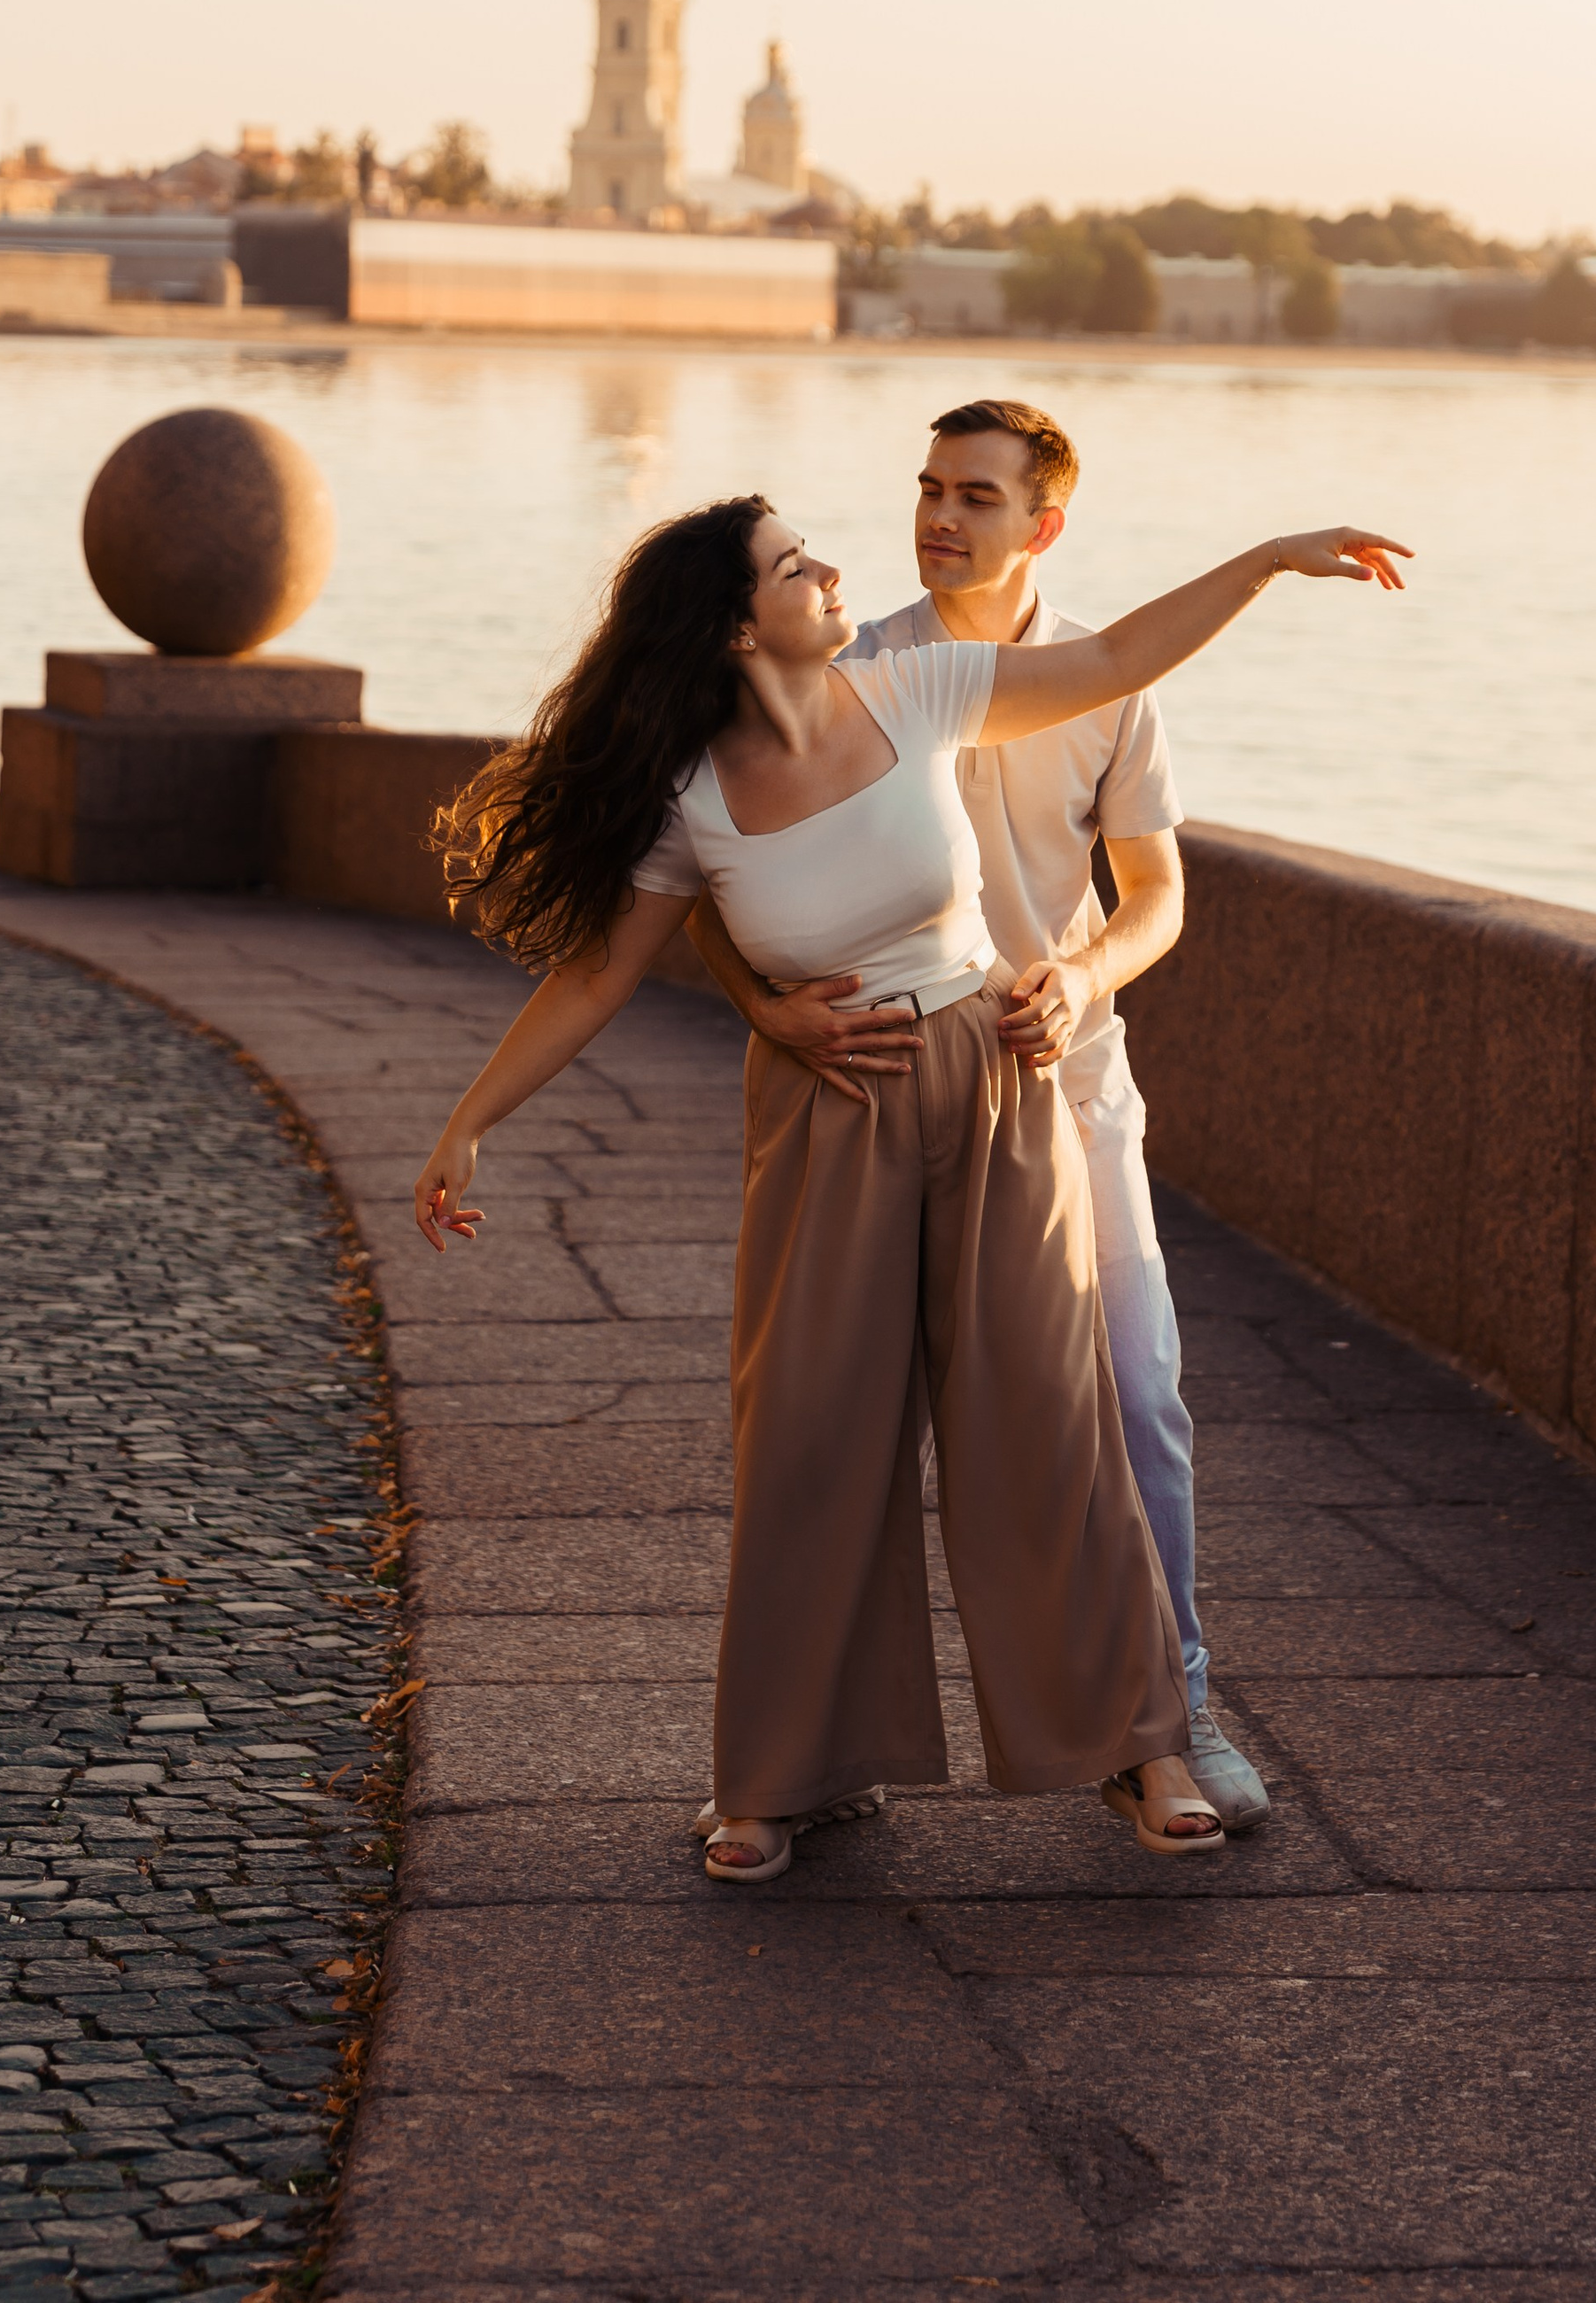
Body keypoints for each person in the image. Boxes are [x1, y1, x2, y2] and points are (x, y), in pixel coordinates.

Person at [414, 492, 1407, 1883]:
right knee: (814, 1437)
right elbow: (594, 976)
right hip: (834, 1117)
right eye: (791, 565)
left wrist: (1267, 560)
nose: (831, 571)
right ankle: (780, 1777)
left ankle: (1144, 1747)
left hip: (992, 1085)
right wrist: (473, 1120)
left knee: (1050, 1421)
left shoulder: (919, 688)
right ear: (734, 625)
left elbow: (1117, 660)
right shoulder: (689, 797)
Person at [684, 397, 1267, 1831]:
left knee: (1132, 1392)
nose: (941, 517)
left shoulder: (1110, 686)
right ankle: (825, 1752)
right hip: (893, 1086)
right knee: (846, 1421)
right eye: (930, 487)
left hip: (1068, 1081)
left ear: (1043, 522)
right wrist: (765, 1011)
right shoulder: (856, 662)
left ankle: (1170, 1710)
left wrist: (1078, 974)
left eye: (979, 497)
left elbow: (1159, 899)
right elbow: (704, 872)